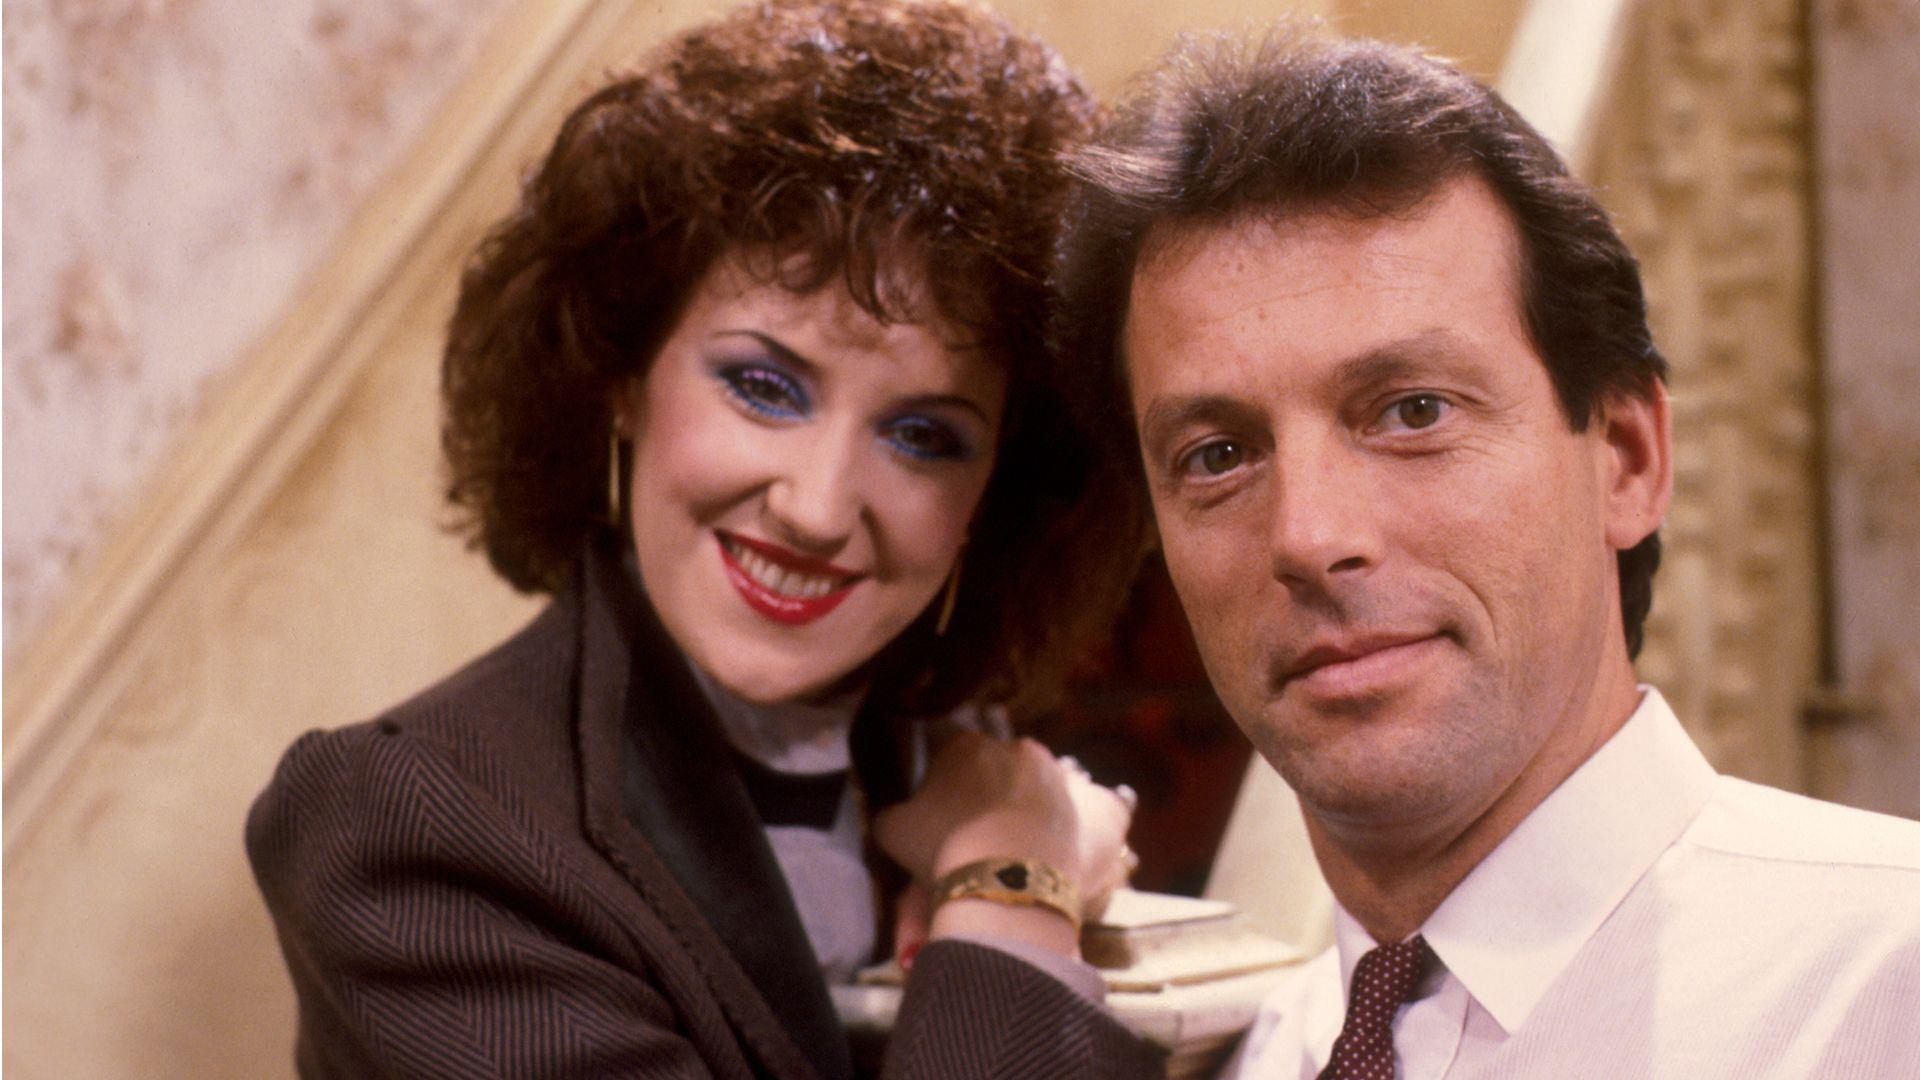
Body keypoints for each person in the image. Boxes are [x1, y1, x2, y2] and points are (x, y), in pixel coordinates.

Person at [245, 2, 1165, 1076]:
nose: (819, 508)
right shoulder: (409, 829)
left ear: (995, 495)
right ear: (625, 379)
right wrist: (1014, 894)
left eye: (923, 436)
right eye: (764, 386)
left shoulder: (953, 757)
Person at [1058, 26, 1920, 1079]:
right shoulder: (1255, 1049)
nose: (1310, 537)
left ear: (1626, 459)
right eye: (1219, 454)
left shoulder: (1887, 981)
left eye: (1413, 410)